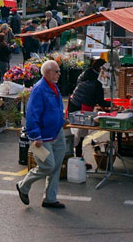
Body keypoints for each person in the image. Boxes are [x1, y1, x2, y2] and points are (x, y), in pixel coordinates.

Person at [16, 60, 68, 208]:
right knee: (48, 165)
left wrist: (62, 119)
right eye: (56, 71)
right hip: (43, 137)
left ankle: (50, 198)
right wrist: (35, 136)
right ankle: (23, 185)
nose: (59, 74)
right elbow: (32, 114)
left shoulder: (53, 87)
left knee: (56, 166)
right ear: (47, 72)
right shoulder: (40, 89)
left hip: (57, 133)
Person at [67, 59, 112, 159]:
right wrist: (112, 104)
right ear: (100, 68)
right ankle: (76, 159)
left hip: (74, 104)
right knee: (79, 134)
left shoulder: (86, 74)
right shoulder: (97, 82)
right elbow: (101, 102)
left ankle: (76, 158)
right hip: (82, 107)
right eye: (106, 69)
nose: (107, 71)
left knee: (77, 134)